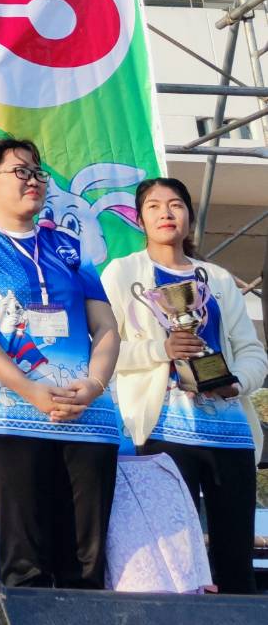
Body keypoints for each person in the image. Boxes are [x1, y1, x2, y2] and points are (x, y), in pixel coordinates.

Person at [0, 137, 122, 589]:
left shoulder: (70, 248)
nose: (33, 180)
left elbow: (106, 327)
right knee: (25, 565)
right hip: (12, 415)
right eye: (20, 171)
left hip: (86, 418)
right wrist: (31, 390)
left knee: (87, 566)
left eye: (38, 172)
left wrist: (95, 385)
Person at [102, 178, 266, 595]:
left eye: (175, 205)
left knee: (235, 562)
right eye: (154, 206)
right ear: (140, 220)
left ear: (190, 216)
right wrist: (162, 348)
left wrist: (236, 383)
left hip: (230, 433)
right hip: (163, 430)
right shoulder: (123, 273)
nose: (166, 213)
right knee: (174, 562)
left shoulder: (218, 279)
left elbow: (253, 352)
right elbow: (103, 350)